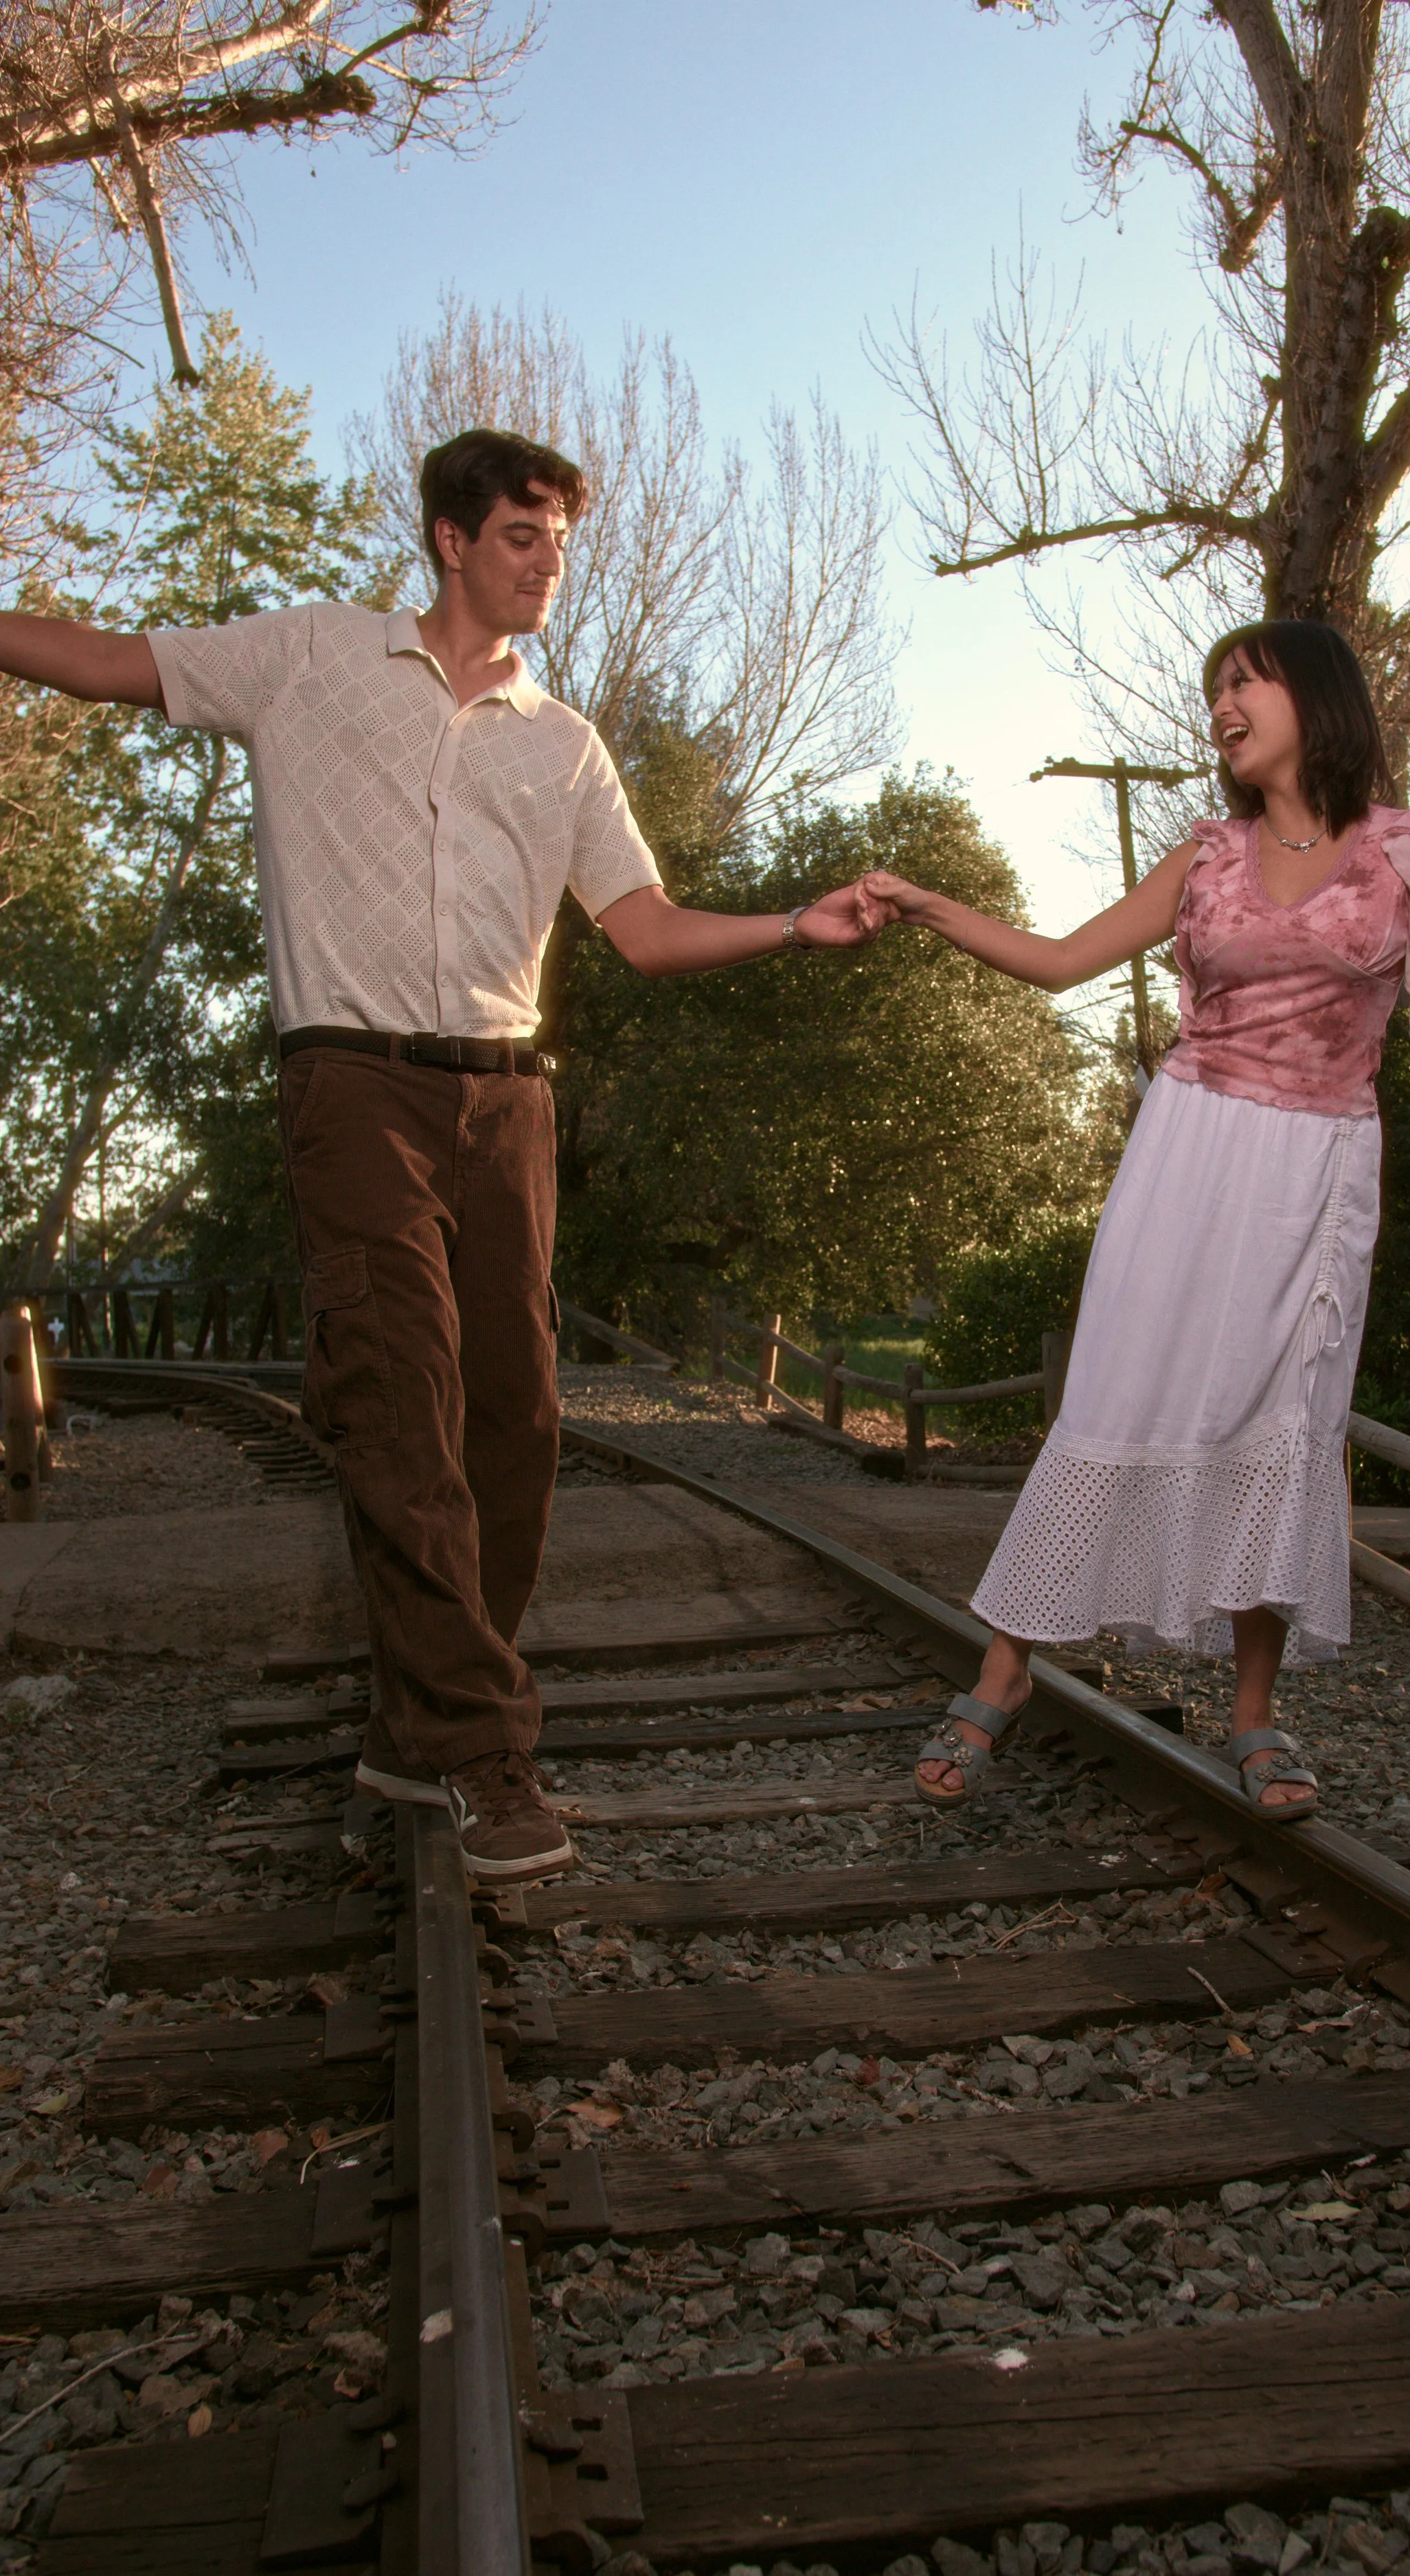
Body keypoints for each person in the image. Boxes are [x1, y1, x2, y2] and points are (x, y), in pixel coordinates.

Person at [0, 426, 887, 1882]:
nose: (548, 565)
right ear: (450, 539)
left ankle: (419, 1724)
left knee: (517, 1424)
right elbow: (108, 661)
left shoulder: (566, 743)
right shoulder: (309, 659)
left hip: (505, 1103)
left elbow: (645, 931)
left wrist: (799, 921)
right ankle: (481, 1757)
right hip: (351, 1084)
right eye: (524, 536)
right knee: (400, 1405)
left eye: (559, 542)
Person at [863, 619, 1410, 1821]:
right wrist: (923, 903)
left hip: (1316, 1172)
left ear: (1315, 697)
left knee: (1279, 1418)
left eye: (1244, 679)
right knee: (1118, 1390)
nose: (1221, 700)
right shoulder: (1206, 855)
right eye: (1214, 685)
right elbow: (1060, 961)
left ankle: (1255, 1712)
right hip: (1186, 1146)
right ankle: (1005, 1672)